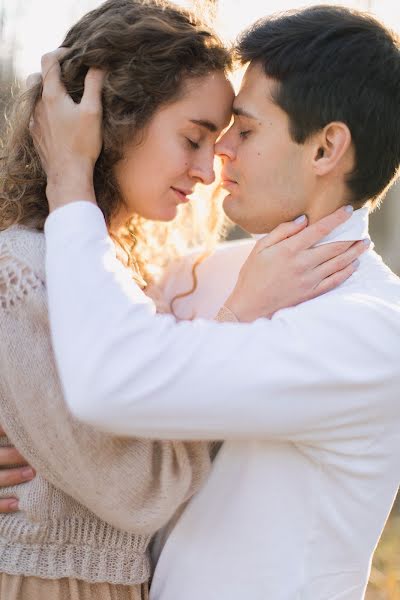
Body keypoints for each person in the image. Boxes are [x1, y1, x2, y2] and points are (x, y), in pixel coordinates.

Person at [15, 5, 400, 600]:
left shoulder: (366, 333)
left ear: (326, 149)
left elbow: (111, 379)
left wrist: (70, 180)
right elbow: (48, 334)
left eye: (244, 131)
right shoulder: (214, 275)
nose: (221, 155)